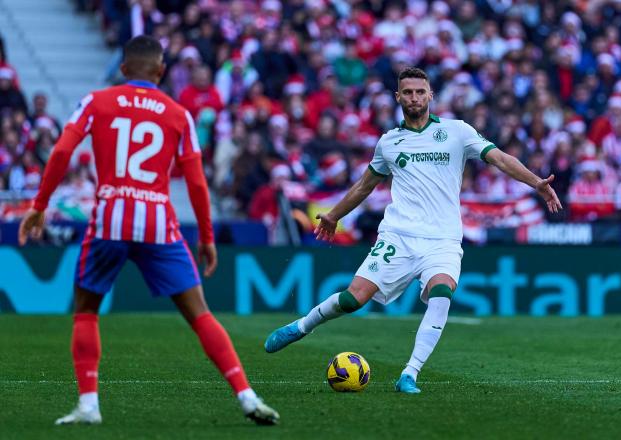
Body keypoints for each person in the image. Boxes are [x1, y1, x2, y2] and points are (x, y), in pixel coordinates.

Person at [18, 36, 279, 426]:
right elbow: (196, 183)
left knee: (86, 311)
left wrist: (39, 206)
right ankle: (246, 395)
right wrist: (207, 237)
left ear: (123, 70)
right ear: (161, 72)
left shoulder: (96, 101)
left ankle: (89, 405)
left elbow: (60, 152)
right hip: (158, 221)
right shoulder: (178, 113)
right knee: (200, 315)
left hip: (110, 218)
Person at [264, 67, 562, 393]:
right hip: (399, 236)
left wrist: (537, 183)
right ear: (398, 97)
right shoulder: (389, 142)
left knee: (442, 293)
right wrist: (334, 216)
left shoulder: (457, 132)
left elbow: (501, 159)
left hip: (444, 239)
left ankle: (410, 373)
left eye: (421, 92)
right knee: (353, 299)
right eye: (408, 92)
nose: (415, 98)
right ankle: (302, 326)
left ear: (430, 95)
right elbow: (364, 186)